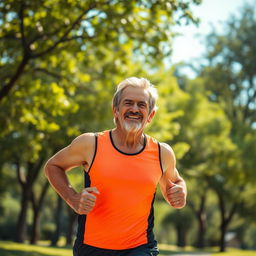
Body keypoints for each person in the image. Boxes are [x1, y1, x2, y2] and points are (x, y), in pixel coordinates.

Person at [44, 77, 187, 256]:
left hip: (140, 247)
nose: (135, 109)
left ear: (151, 115)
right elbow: (53, 166)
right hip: (92, 247)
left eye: (142, 105)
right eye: (128, 103)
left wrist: (180, 192)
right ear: (115, 110)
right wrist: (72, 198)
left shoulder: (162, 153)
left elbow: (174, 183)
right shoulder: (91, 144)